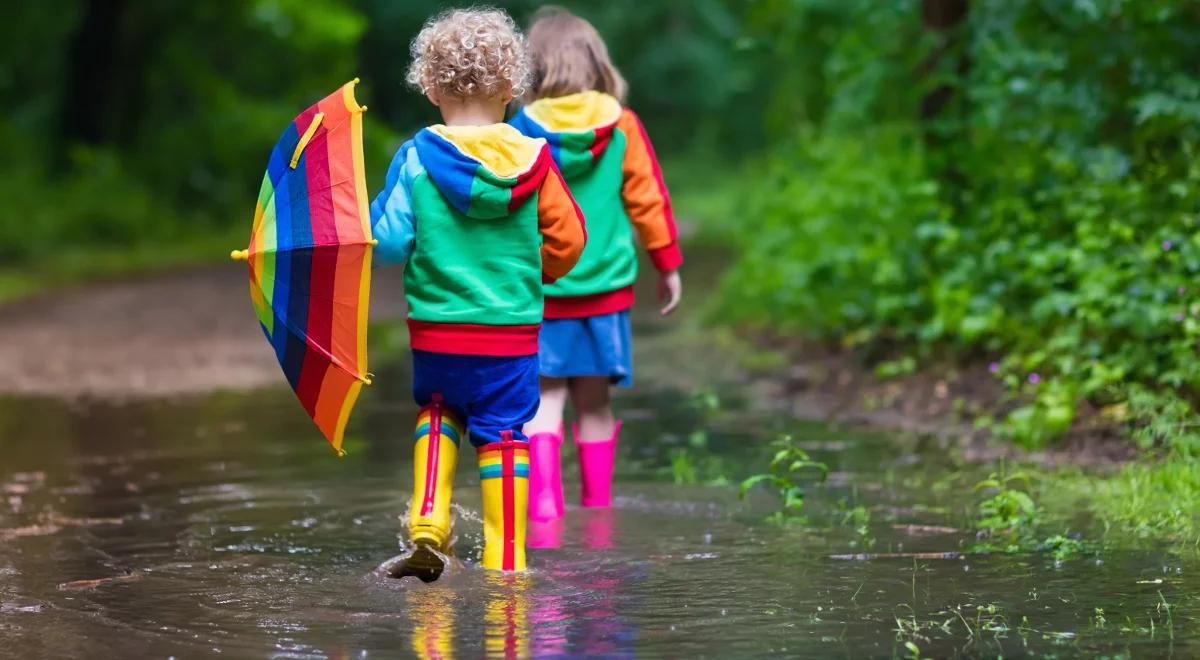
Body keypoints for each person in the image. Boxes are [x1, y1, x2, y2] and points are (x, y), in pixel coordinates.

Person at [371, 8, 586, 577]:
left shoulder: (416, 157)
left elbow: (390, 243)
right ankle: (506, 559)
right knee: (505, 434)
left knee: (439, 411)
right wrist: (533, 273)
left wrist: (374, 218)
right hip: (509, 335)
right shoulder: (536, 160)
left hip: (438, 332)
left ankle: (427, 520)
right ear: (512, 88)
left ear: (432, 86)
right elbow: (570, 240)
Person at [510, 6, 683, 525]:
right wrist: (667, 263)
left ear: (532, 70)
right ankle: (599, 512)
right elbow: (647, 198)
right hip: (606, 287)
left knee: (545, 400)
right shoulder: (622, 125)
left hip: (543, 287)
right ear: (595, 63)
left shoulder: (520, 128)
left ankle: (542, 506)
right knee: (594, 403)